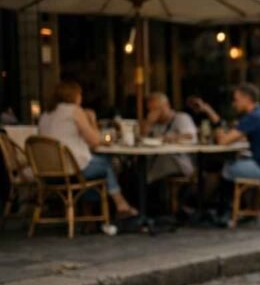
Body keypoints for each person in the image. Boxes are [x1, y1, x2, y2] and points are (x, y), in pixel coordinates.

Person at [37, 81, 137, 218]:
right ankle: (120, 204)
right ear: (74, 96)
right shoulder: (74, 111)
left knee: (96, 166)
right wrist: (91, 119)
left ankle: (89, 213)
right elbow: (95, 141)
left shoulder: (45, 115)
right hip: (69, 169)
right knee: (105, 164)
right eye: (80, 94)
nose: (81, 97)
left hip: (46, 173)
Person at [190, 84, 260, 181]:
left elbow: (223, 141)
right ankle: (237, 196)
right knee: (228, 163)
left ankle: (223, 196)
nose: (233, 104)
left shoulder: (253, 117)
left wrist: (210, 113)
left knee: (222, 167)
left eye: (236, 100)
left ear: (247, 99)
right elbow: (237, 136)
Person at [140, 92, 197, 184]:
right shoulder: (154, 123)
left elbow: (190, 136)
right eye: (151, 110)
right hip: (156, 160)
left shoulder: (181, 118)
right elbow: (141, 138)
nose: (154, 113)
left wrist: (172, 137)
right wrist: (148, 123)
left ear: (166, 106)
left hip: (179, 161)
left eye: (156, 109)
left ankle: (147, 182)